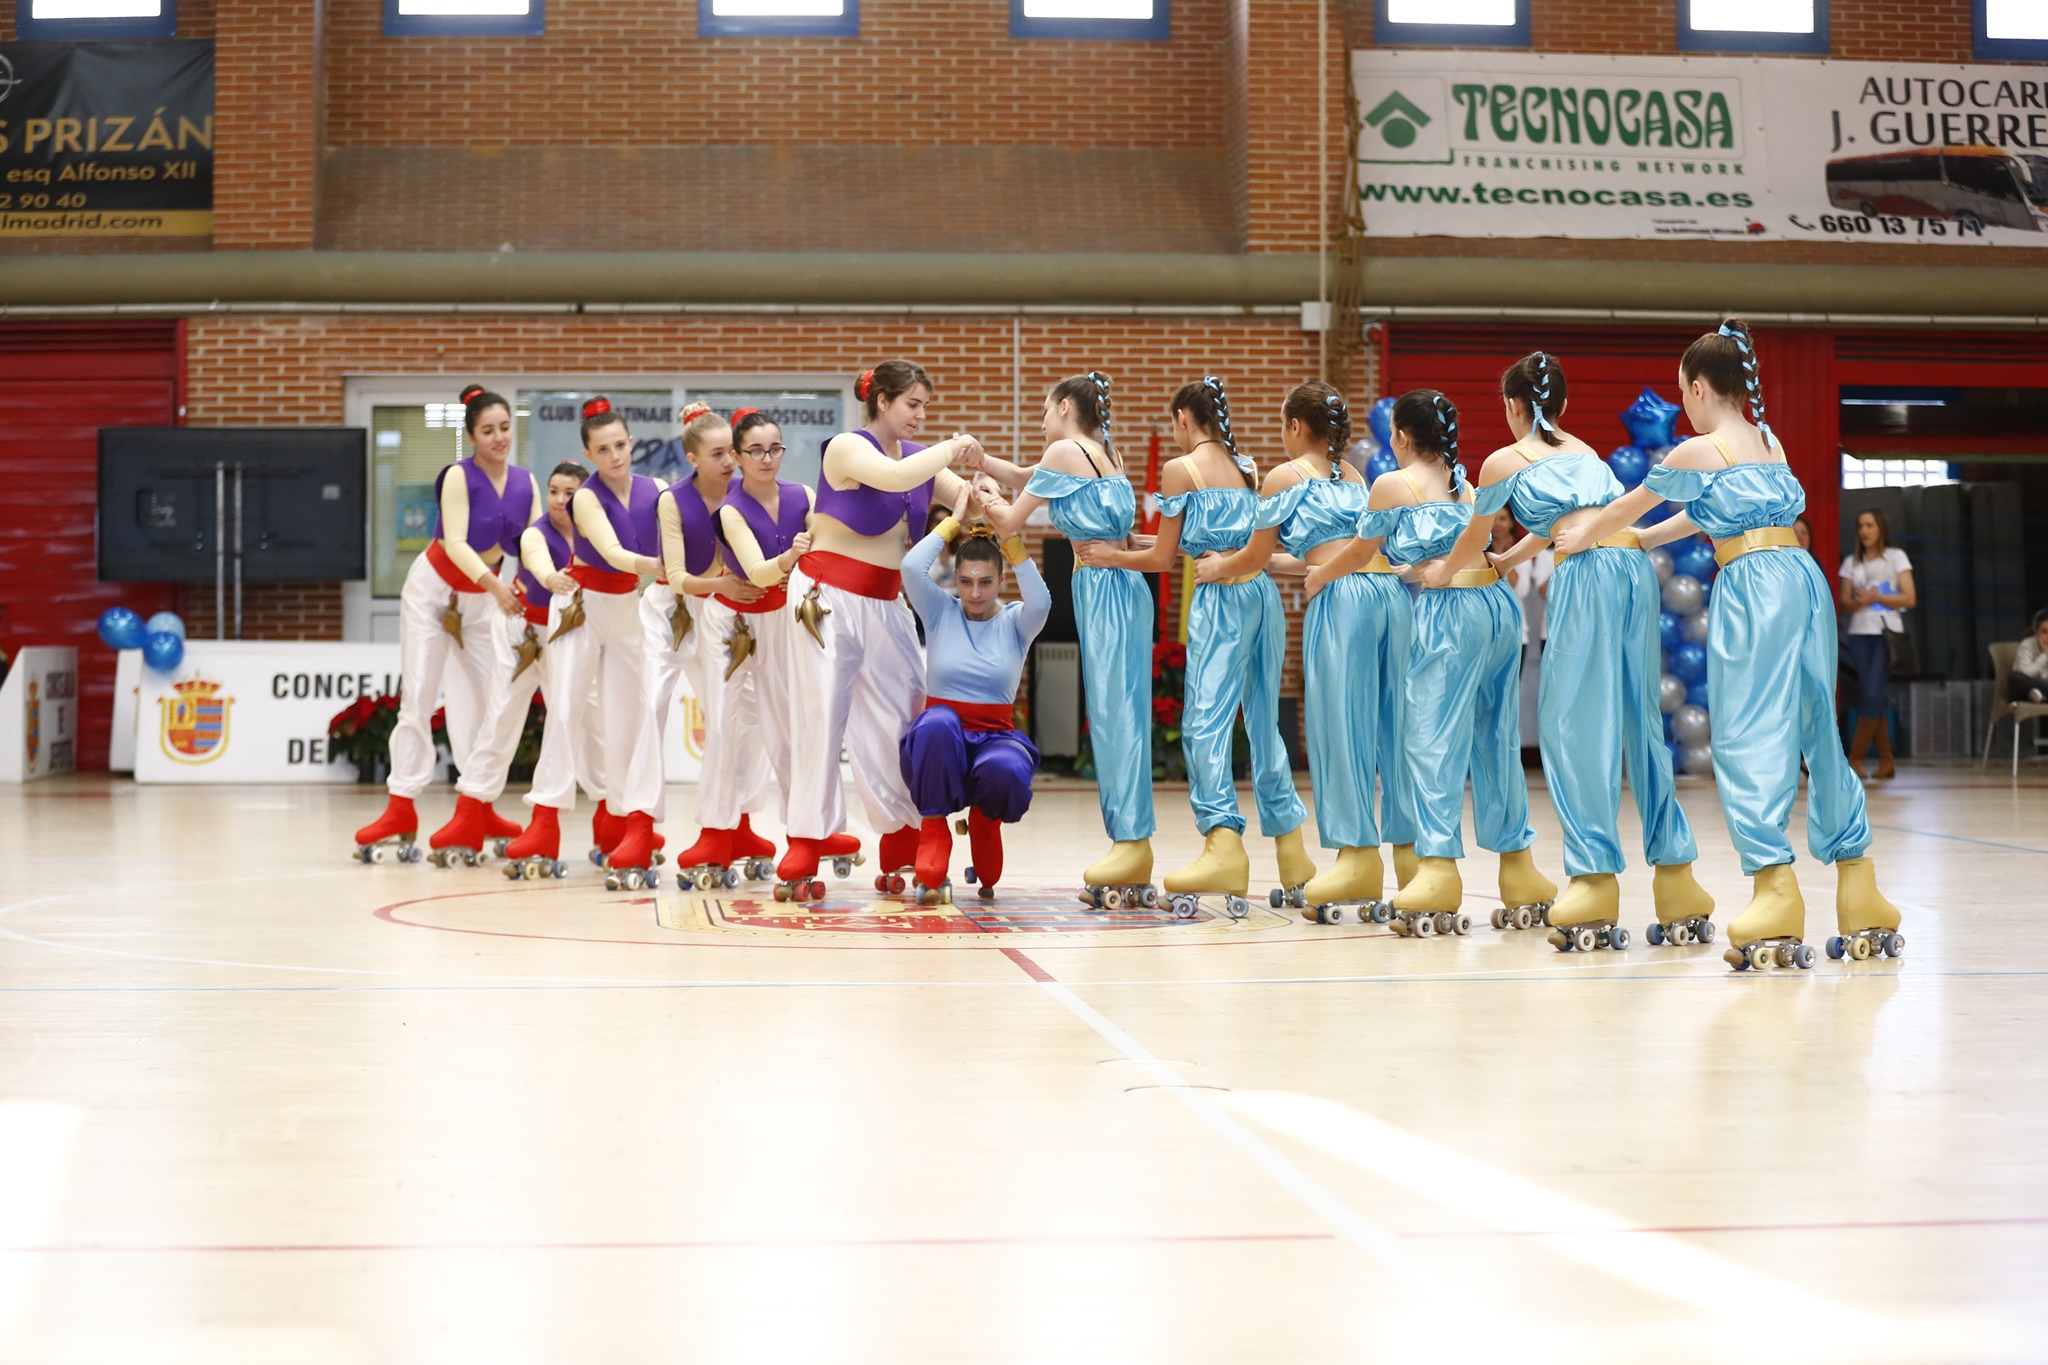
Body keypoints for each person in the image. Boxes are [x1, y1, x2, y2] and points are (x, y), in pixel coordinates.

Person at [1555, 318, 1903, 969]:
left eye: (1682, 390)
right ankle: (1860, 886)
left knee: (1746, 732)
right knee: (1816, 726)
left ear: (1697, 387)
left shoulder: (1698, 448)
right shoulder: (1768, 440)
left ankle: (1775, 890)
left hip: (1754, 585)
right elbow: (1705, 512)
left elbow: (1633, 503)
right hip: (1802, 578)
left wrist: (1585, 535)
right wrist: (1644, 541)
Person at [1442, 352, 1712, 953]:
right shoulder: (1586, 453)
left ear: (1512, 405)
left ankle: (1593, 878)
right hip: (1632, 567)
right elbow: (1557, 524)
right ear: (1562, 405)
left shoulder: (1503, 460)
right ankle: (1678, 880)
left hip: (1587, 573)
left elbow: (1475, 534)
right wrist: (1510, 561)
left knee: (1571, 725)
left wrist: (1443, 572)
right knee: (1641, 719)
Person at [1311, 390, 1557, 936]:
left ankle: (1439, 869)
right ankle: (1519, 869)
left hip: (1451, 611)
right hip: (1497, 607)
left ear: (1400, 435)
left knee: (1429, 738)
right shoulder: (1462, 484)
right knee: (1496, 737)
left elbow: (1361, 550)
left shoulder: (1392, 484)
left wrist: (1321, 575)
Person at [1074, 377, 1313, 917]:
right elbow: (1209, 543)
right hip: (1262, 594)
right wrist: (1144, 544)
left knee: (1205, 723)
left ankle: (1223, 845)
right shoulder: (1248, 467)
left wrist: (1112, 556)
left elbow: (1162, 561)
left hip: (1222, 601)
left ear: (1183, 419)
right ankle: (1293, 854)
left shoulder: (1180, 469)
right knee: (1263, 723)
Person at [1181, 381, 1417, 924]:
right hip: (1389, 595)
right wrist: (1268, 562)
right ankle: (1411, 865)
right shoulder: (1354, 475)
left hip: (1345, 601)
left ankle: (1357, 859)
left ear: (1294, 426)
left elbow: (1254, 555)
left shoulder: (1285, 476)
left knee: (1339, 728)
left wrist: (1218, 566)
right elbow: (1320, 554)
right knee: (1394, 727)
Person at [776, 360, 985, 900]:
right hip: (826, 598)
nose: (921, 415)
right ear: (883, 402)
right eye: (913, 404)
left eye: (926, 406)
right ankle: (807, 837)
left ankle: (901, 833)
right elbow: (895, 479)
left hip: (888, 602)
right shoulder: (847, 448)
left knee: (903, 718)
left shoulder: (918, 458)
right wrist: (954, 447)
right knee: (821, 717)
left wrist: (1003, 491)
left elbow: (971, 497)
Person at [975, 373, 1157, 908]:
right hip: (1129, 587)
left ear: (1062, 408)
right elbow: (1026, 475)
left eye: (1043, 410)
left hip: (1101, 586)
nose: (1040, 422)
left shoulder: (1063, 451)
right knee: (1127, 709)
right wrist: (983, 461)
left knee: (1111, 712)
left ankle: (1130, 842)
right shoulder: (1108, 454)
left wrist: (984, 495)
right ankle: (1133, 843)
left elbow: (1010, 520)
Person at [352, 384, 534, 865]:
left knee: (487, 703)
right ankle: (400, 806)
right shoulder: (458, 476)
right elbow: (455, 543)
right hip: (433, 595)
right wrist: (497, 585)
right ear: (472, 436)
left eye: (504, 427)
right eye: (488, 430)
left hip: (483, 603)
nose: (499, 437)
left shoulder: (526, 483)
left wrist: (535, 584)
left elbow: (535, 544)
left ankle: (480, 804)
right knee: (418, 696)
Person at [646, 403, 781, 887]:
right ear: (692, 458)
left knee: (745, 720)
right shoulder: (673, 500)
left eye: (732, 452)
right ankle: (641, 825)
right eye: (717, 454)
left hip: (731, 611)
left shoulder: (751, 493)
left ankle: (739, 823)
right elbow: (676, 576)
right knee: (651, 707)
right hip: (676, 607)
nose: (729, 462)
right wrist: (721, 586)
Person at [897, 479, 1050, 902]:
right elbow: (911, 567)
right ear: (956, 580)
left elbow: (1042, 602)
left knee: (1007, 769)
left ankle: (985, 820)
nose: (975, 593)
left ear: (1001, 579)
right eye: (966, 582)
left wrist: (1010, 537)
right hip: (941, 738)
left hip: (994, 736)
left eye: (985, 582)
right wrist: (954, 522)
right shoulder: (940, 610)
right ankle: (934, 829)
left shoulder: (1017, 621)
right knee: (936, 725)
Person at [560, 397, 667, 886]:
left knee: (629, 715)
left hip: (629, 605)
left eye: (620, 445)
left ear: (631, 443)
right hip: (583, 602)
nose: (615, 456)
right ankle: (546, 817)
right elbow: (609, 550)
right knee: (566, 709)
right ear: (589, 455)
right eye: (603, 450)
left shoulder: (657, 489)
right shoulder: (585, 497)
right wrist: (658, 567)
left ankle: (626, 821)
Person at [716, 408, 817, 878]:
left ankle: (805, 831)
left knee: (793, 727)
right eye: (755, 450)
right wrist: (793, 556)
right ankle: (725, 828)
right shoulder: (730, 509)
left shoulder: (803, 494)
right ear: (737, 456)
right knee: (734, 729)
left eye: (774, 448)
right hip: (736, 622)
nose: (767, 458)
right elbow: (757, 571)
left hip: (789, 617)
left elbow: (829, 542)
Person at [502, 462, 604, 874]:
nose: (560, 501)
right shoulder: (536, 532)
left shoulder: (599, 531)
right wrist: (549, 577)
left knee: (599, 725)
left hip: (580, 634)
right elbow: (536, 559)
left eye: (570, 493)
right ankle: (520, 817)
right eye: (553, 491)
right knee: (513, 714)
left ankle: (614, 818)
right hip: (527, 631)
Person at [1839, 506, 1916, 781]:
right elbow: (1845, 602)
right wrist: (1860, 601)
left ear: (1881, 528)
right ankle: (1886, 760)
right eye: (1860, 526)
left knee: (1873, 695)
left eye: (1869, 525)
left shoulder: (1896, 557)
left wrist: (1879, 597)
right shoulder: (1851, 562)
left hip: (1886, 632)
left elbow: (1909, 597)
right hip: (1859, 634)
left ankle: (1855, 758)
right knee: (1873, 695)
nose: (1864, 531)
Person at [2012, 608, 2048, 702]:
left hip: (2043, 686)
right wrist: (2044, 656)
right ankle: (2037, 694)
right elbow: (2025, 674)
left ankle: (2040, 696)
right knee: (2015, 677)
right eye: (2044, 632)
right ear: (2036, 632)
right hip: (2023, 690)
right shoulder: (2027, 644)